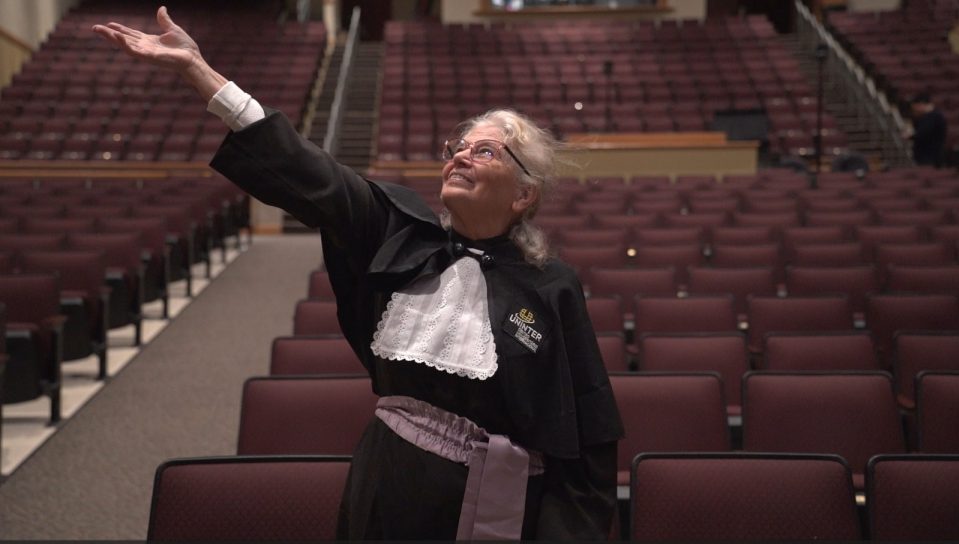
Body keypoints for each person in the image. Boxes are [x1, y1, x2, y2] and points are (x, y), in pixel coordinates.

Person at [94, 7, 623, 541]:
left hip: (499, 509)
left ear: (524, 194)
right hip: (386, 488)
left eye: (484, 151)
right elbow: (313, 173)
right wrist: (200, 72)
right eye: (456, 148)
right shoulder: (403, 235)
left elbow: (587, 435)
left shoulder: (552, 286)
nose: (459, 157)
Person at [904, 93, 948, 168]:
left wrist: (910, 135)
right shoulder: (926, 117)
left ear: (920, 104)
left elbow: (923, 133)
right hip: (925, 156)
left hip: (930, 157)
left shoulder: (934, 117)